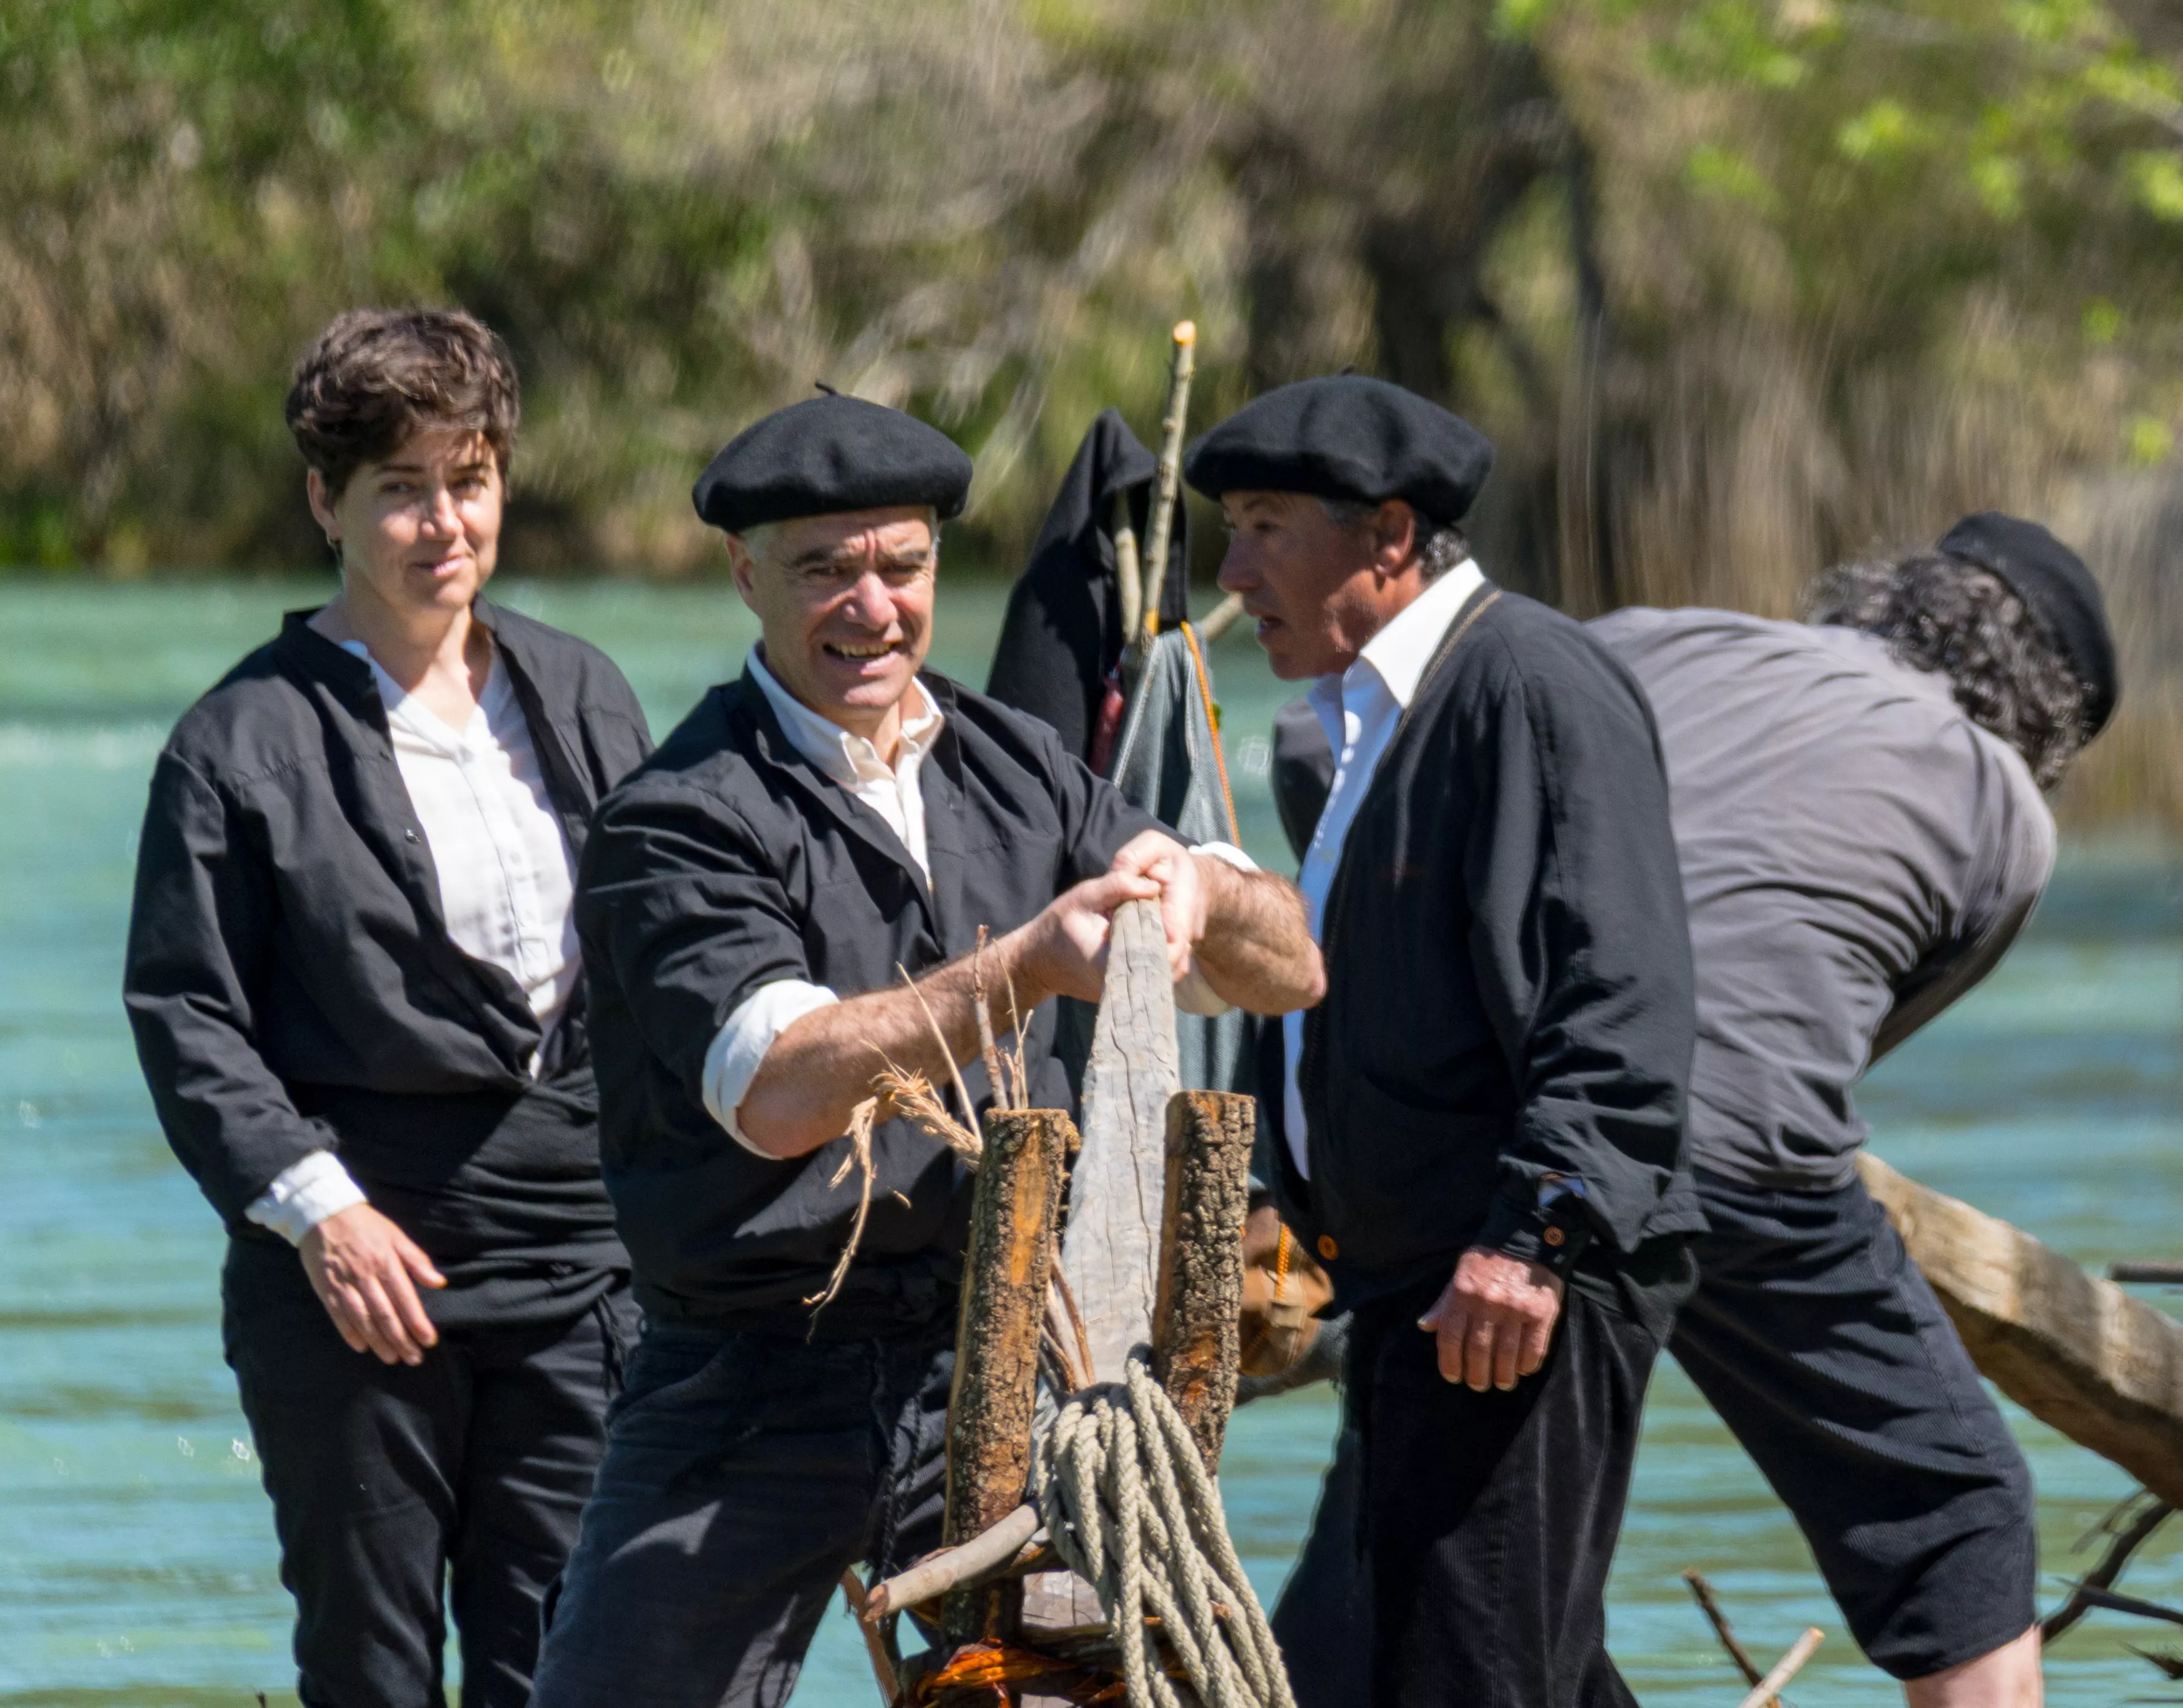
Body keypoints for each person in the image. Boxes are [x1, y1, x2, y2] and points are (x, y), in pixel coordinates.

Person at [528, 391, 1325, 1707]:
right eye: (823, 569)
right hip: (750, 1372)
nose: (872, 606)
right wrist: (1032, 962)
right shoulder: (678, 817)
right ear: (745, 575)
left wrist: (1197, 884)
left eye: (901, 565)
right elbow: (778, 1088)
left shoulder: (1021, 765)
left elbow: (1289, 970)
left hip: (1009, 1348)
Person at [125, 308, 653, 1708]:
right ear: (326, 501)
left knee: (572, 1664)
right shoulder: (234, 743)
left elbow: (658, 965)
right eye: (400, 488)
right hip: (356, 1279)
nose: (444, 522)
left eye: (468, 480)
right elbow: (188, 1015)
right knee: (372, 1673)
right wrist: (321, 1213)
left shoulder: (586, 695)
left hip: (577, 1265)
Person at [1202, 374, 1702, 1708]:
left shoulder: (1526, 681)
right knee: (1505, 1665)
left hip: (1503, 1281)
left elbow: (1620, 988)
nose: (1233, 571)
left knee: (1467, 1672)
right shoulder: (1373, 712)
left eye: (1265, 528)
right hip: (1421, 1281)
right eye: (1231, 531)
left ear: (1388, 535)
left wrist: (1531, 1234)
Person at [1582, 512, 2116, 1708]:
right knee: (1955, 1508)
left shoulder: (1666, 637)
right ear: (2049, 714)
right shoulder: (2008, 815)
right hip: (1726, 1154)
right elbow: (1833, 1048)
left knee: (1506, 1523)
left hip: (1489, 1112)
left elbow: (1360, 743)